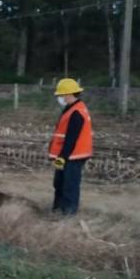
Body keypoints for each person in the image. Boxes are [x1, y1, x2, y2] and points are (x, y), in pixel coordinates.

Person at [48, 78, 92, 215]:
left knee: (69, 185)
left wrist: (62, 158)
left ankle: (68, 214)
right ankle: (57, 210)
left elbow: (71, 139)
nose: (59, 98)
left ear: (68, 94)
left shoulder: (76, 113)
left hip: (73, 155)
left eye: (60, 95)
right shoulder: (71, 109)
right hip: (68, 155)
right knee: (59, 183)